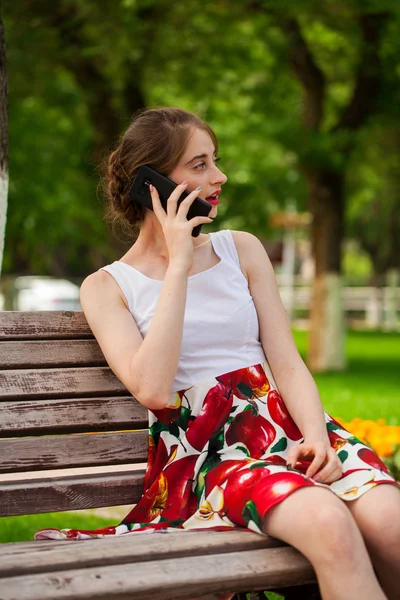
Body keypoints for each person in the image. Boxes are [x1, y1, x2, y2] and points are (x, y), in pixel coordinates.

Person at [36, 107, 400, 600]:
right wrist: (180, 260)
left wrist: (316, 436)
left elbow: (288, 363)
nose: (220, 176)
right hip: (212, 457)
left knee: (391, 526)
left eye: (216, 160)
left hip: (294, 431)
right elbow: (153, 389)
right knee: (328, 522)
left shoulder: (241, 250)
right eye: (200, 164)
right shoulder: (107, 287)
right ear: (153, 185)